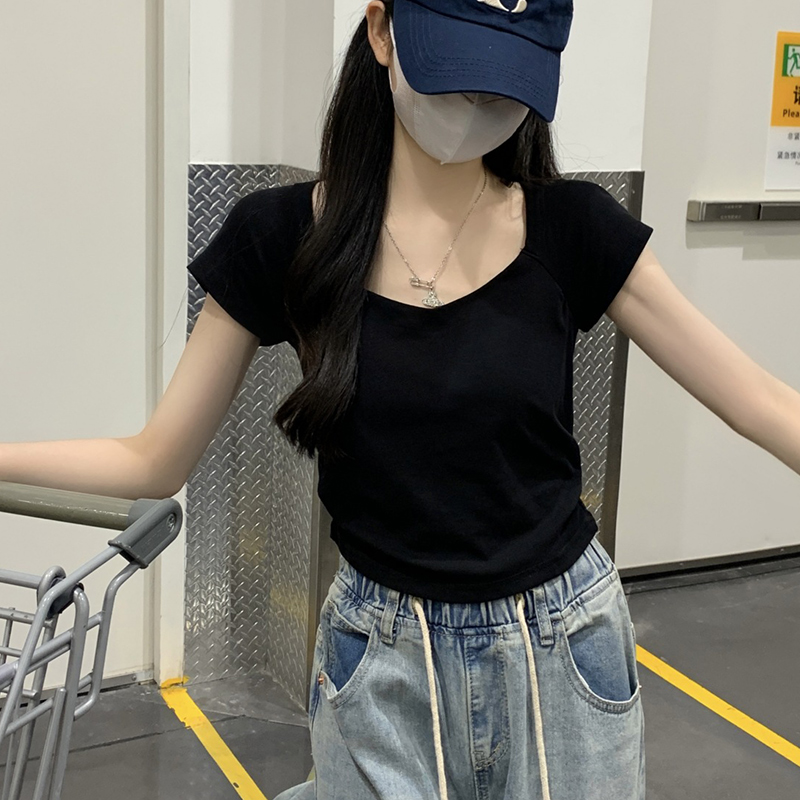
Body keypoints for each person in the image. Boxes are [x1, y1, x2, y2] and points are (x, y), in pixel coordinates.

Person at [3, 0, 797, 798]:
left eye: (505, 81)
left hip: (563, 652)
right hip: (381, 662)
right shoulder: (281, 237)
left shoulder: (575, 228)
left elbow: (759, 400)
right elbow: (153, 459)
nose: (476, 103)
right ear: (382, 32)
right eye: (456, 70)